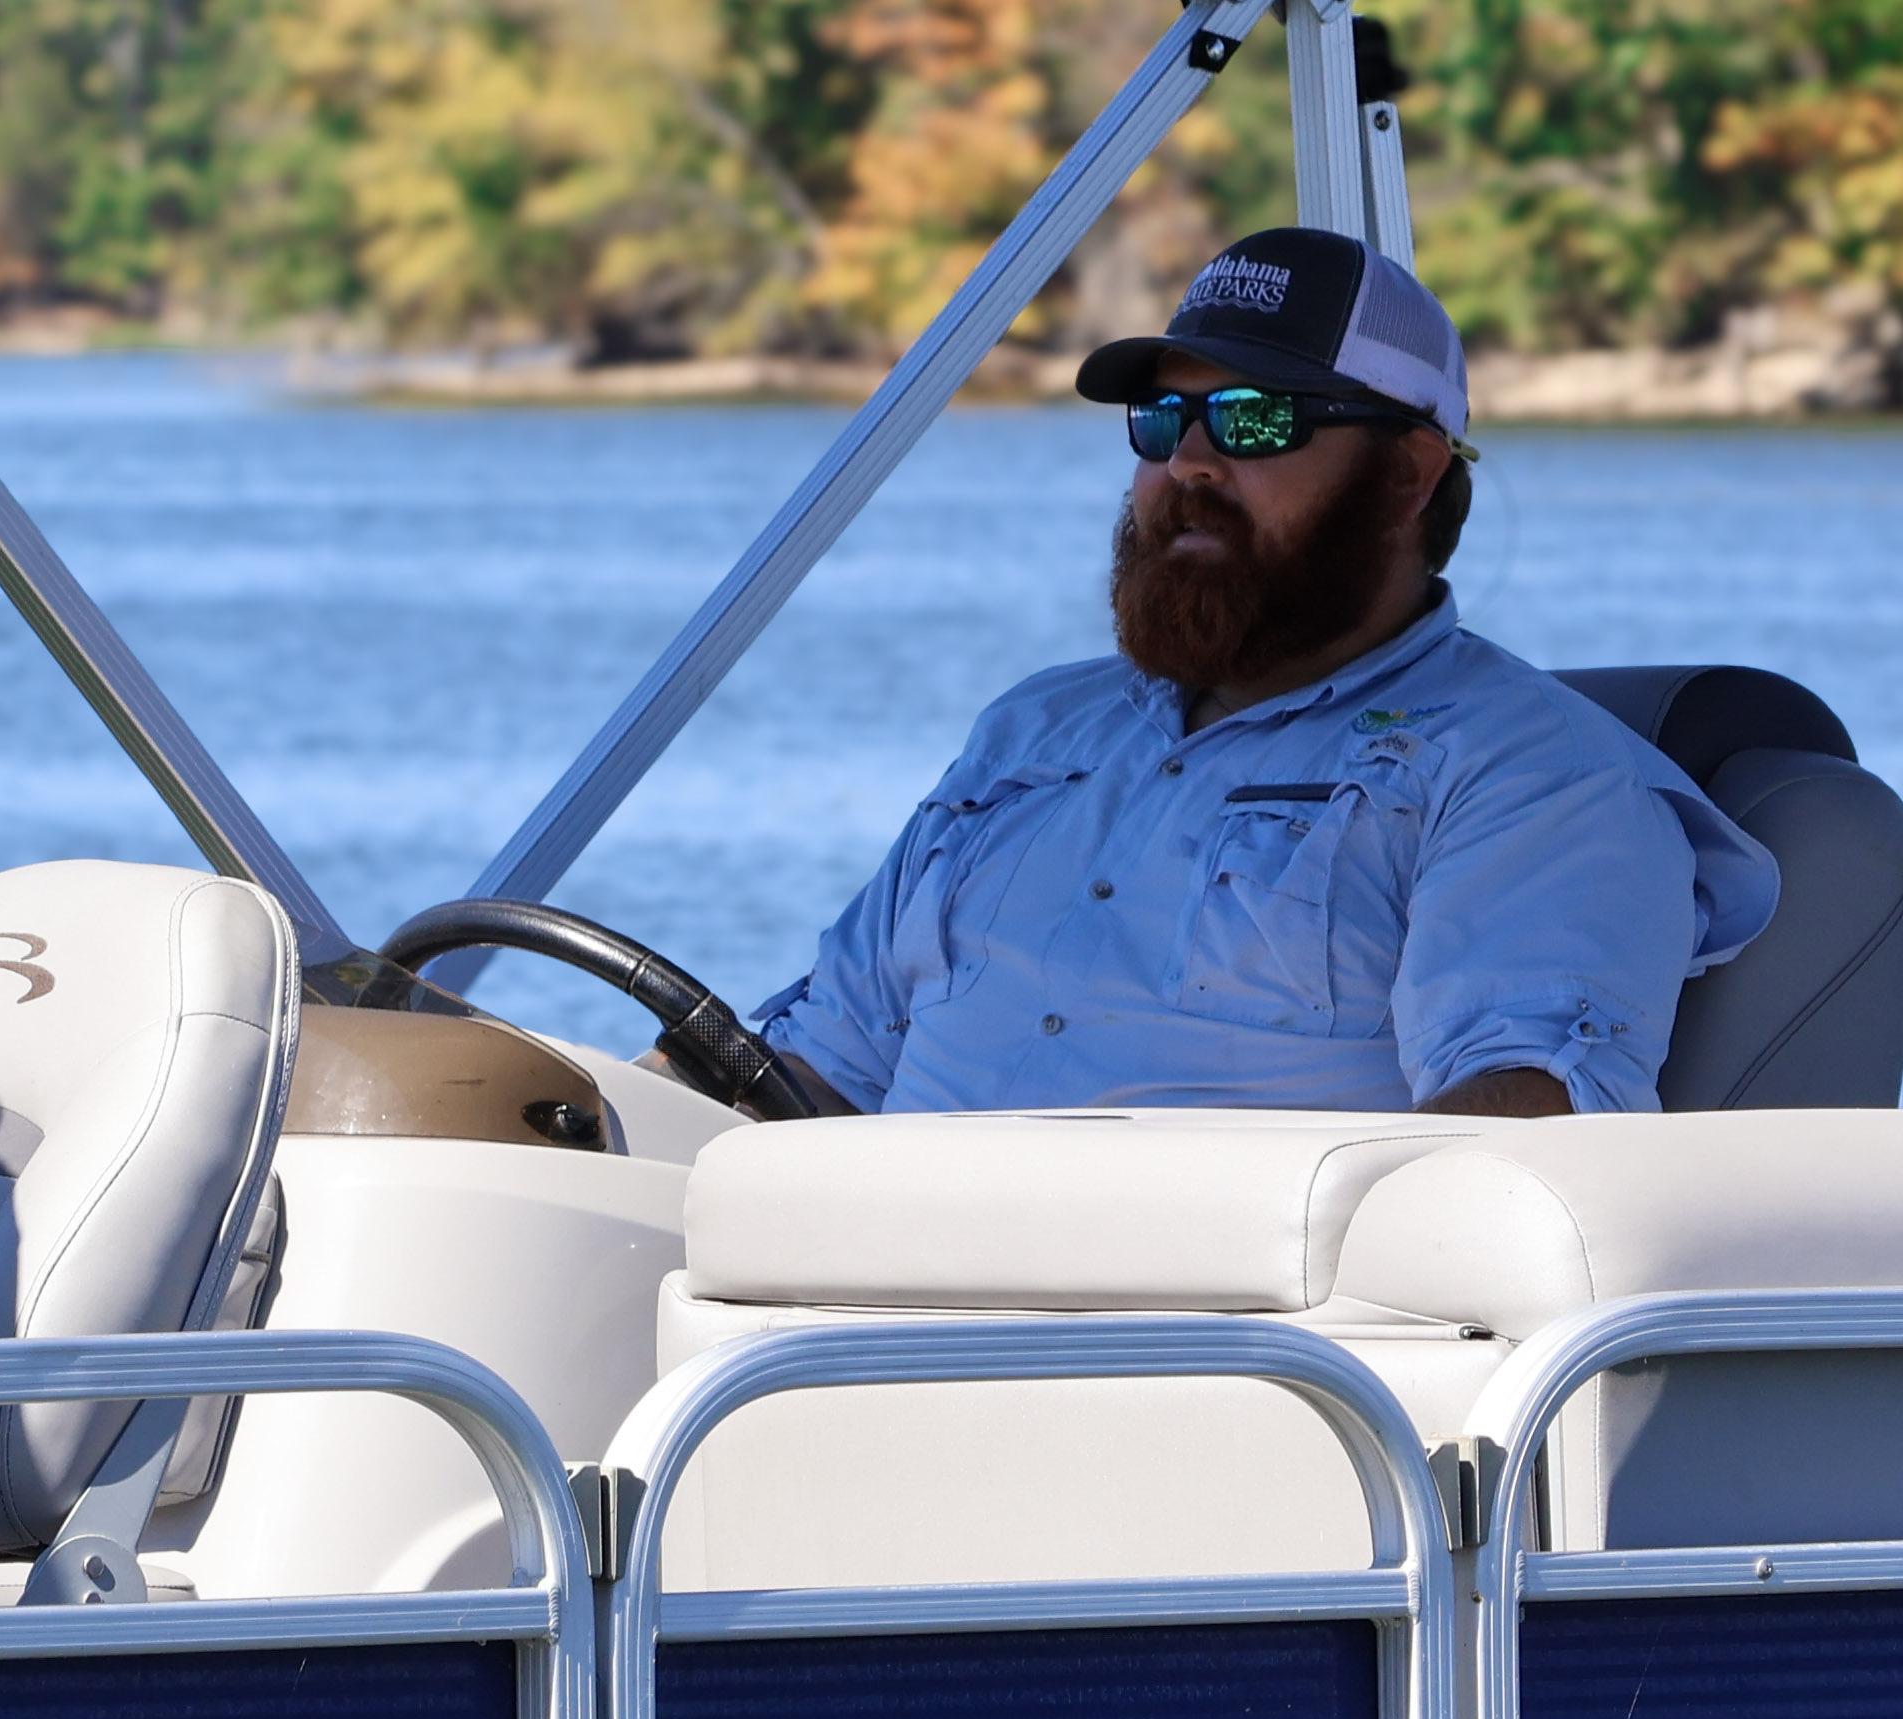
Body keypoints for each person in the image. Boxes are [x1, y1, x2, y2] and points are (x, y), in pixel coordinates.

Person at [753, 226, 1776, 1117]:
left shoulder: (1536, 776)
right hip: (850, 1271)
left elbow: (1519, 1132)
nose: (1190, 462)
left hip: (1205, 1289)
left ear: (1407, 473)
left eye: (1255, 419)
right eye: (1162, 419)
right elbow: (819, 1071)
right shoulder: (1035, 726)